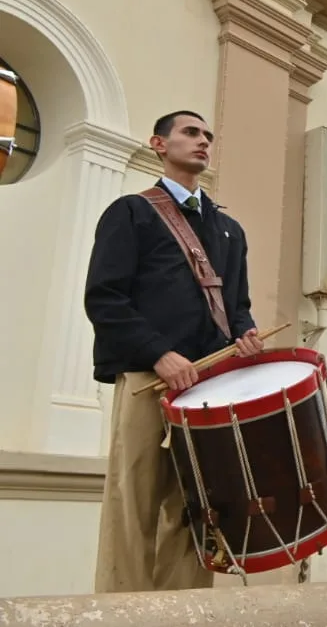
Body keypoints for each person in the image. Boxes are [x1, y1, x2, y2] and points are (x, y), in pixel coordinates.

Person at [85, 110, 263, 594]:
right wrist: (158, 353)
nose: (203, 140)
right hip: (150, 380)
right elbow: (105, 298)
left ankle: (184, 613)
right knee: (134, 507)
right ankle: (120, 614)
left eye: (208, 134)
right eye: (190, 132)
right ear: (158, 144)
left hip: (209, 385)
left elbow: (236, 305)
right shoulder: (132, 212)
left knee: (198, 510)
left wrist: (244, 335)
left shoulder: (230, 230)